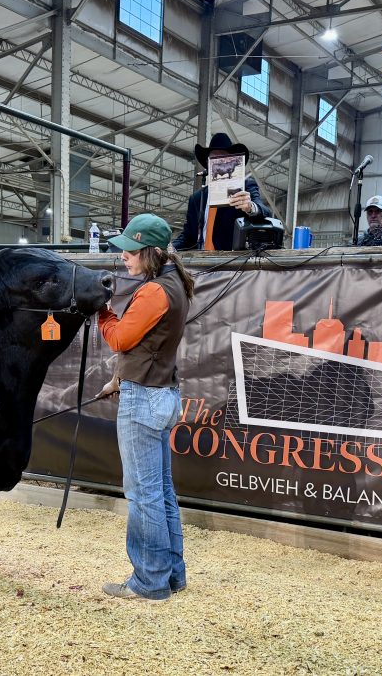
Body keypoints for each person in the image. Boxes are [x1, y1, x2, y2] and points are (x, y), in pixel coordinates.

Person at [96, 213, 195, 602]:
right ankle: (172, 575)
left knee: (143, 494)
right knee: (161, 491)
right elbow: (145, 346)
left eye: (131, 250)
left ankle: (150, 581)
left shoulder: (153, 292)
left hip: (145, 399)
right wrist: (119, 379)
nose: (123, 256)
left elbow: (120, 338)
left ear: (151, 252)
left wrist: (101, 311)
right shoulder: (174, 284)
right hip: (163, 393)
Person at [173, 132, 271, 251]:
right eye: (213, 157)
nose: (219, 161)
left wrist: (250, 207)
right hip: (201, 263)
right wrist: (169, 248)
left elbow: (265, 211)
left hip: (231, 263)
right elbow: (188, 237)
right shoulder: (197, 198)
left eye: (223, 156)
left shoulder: (244, 187)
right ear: (208, 163)